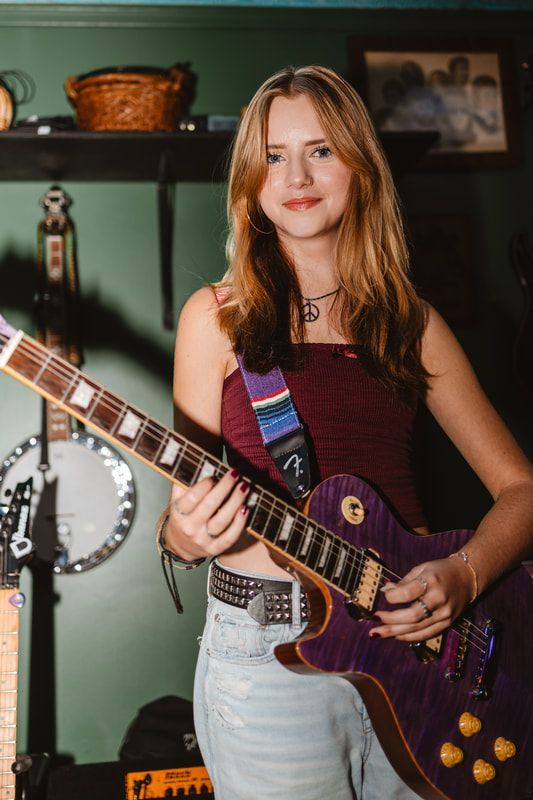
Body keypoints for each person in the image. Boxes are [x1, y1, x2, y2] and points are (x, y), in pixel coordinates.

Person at [157, 65, 533, 799]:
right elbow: (183, 520)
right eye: (272, 154)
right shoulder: (216, 318)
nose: (296, 173)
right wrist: (184, 536)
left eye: (321, 150)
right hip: (265, 658)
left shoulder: (413, 324)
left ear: (360, 165)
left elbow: (520, 489)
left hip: (419, 654)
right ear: (249, 181)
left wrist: (464, 574)